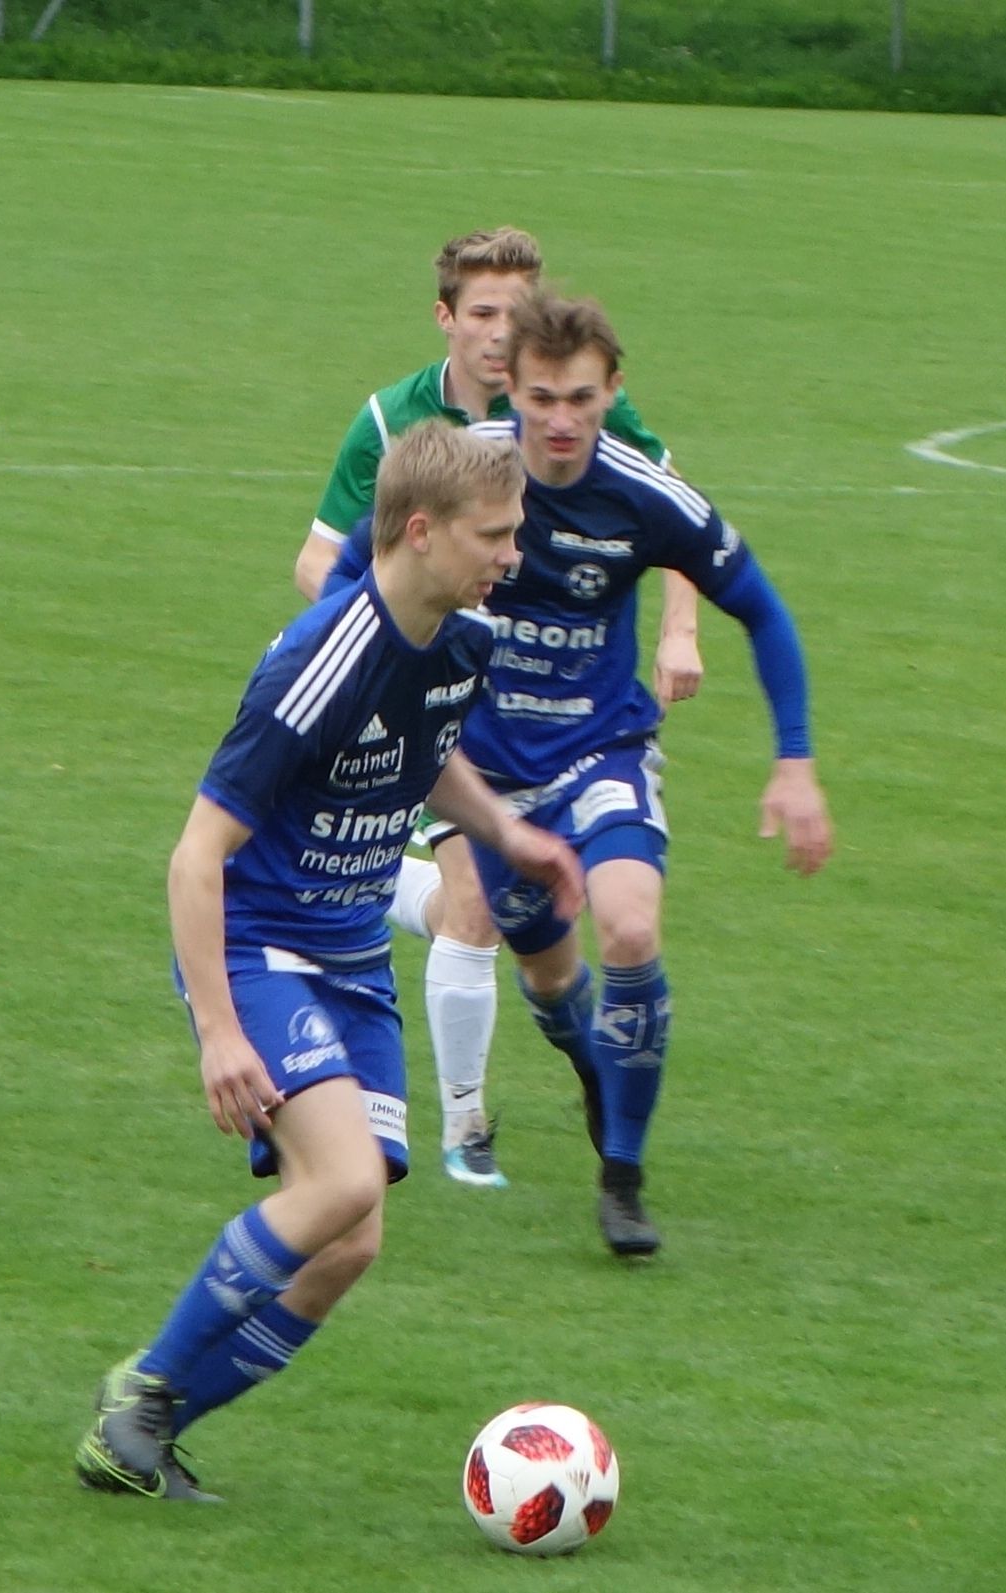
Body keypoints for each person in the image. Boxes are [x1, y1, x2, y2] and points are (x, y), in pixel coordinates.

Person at [75, 423, 584, 1502]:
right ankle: (142, 1387)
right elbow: (195, 855)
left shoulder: (463, 638)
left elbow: (424, 758)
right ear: (420, 530)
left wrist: (506, 831)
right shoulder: (322, 659)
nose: (512, 556)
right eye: (494, 535)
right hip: (260, 950)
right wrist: (219, 1032)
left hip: (352, 960)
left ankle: (142, 1439)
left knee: (348, 1243)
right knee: (344, 1181)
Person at [327, 293, 833, 1258]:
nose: (562, 421)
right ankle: (595, 1065)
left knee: (632, 926)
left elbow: (763, 609)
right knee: (553, 975)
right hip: (487, 780)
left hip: (603, 754)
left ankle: (622, 1177)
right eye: (543, 398)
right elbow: (359, 571)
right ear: (509, 389)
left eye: (583, 399)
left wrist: (795, 760)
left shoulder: (645, 495)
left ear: (614, 391)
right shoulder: (463, 472)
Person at [297, 226, 703, 1191]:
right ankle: (466, 1131)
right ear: (445, 318)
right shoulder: (391, 420)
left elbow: (677, 514)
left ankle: (380, 894)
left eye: (515, 315)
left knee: (530, 951)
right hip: (439, 703)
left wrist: (679, 629)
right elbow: (318, 559)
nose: (500, 333)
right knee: (476, 909)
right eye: (481, 313)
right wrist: (392, 638)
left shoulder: (580, 410)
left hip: (562, 721)